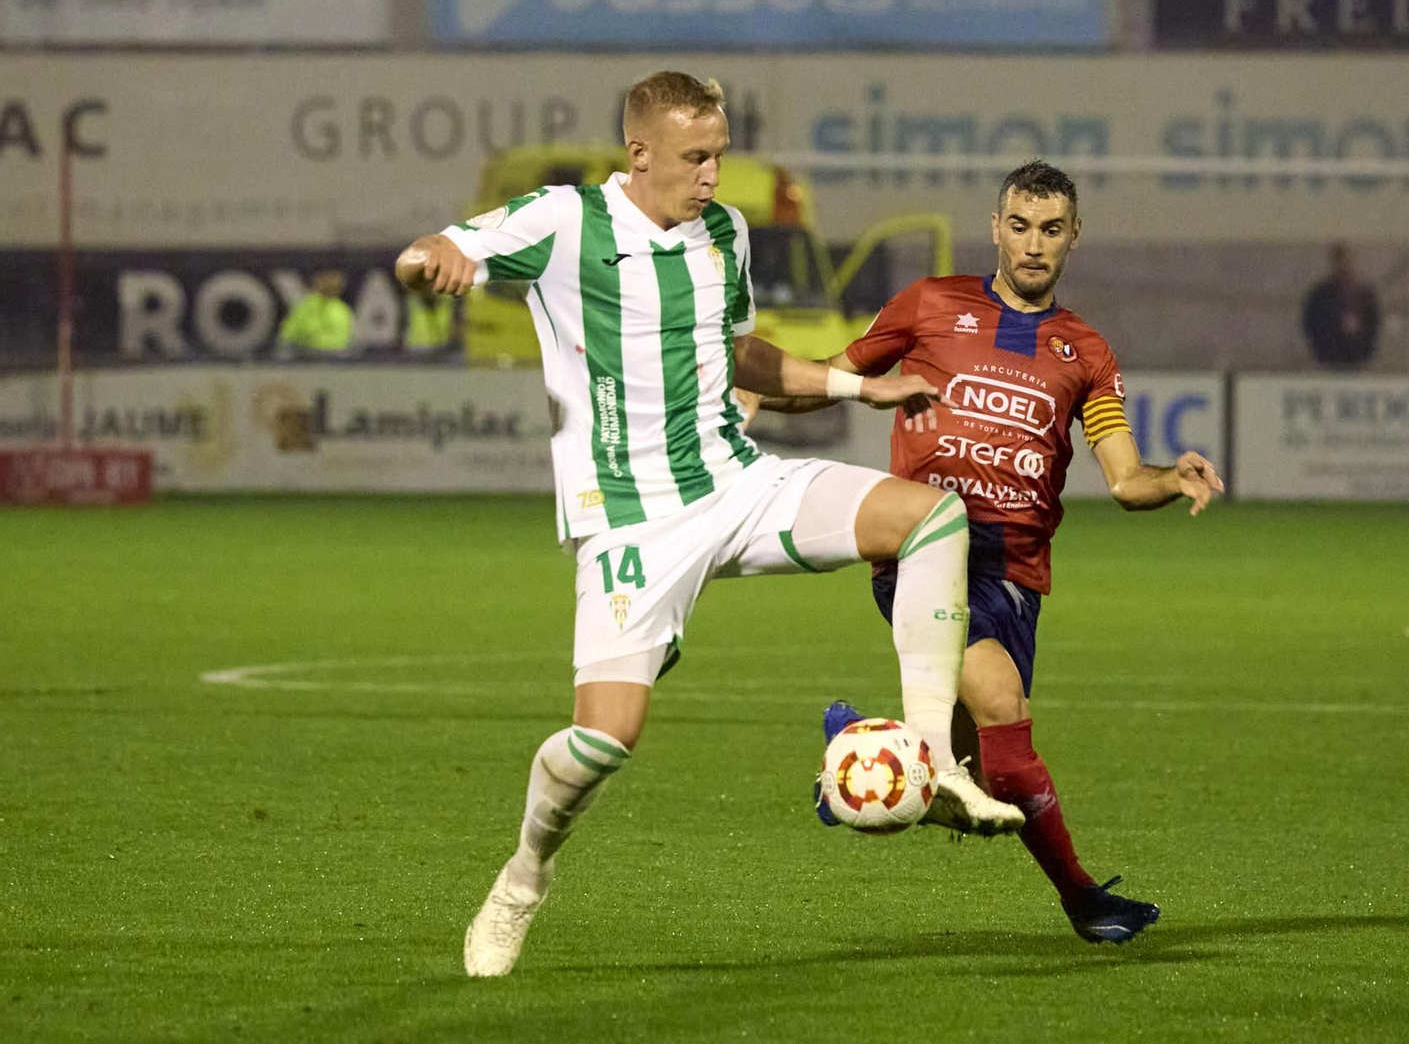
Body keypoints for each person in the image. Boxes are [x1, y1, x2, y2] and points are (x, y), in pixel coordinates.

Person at [393, 71, 1024, 979]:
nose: (713, 176)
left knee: (930, 517)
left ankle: (934, 762)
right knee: (602, 741)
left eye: (720, 154)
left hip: (736, 481)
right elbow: (424, 252)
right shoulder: (566, 221)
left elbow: (742, 351)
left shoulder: (723, 233)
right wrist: (433, 263)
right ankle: (524, 877)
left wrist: (859, 384)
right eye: (696, 157)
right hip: (632, 522)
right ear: (639, 153)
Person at [754, 160, 1224, 945]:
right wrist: (756, 386)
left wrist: (1170, 477)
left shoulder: (1086, 351)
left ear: (1074, 236)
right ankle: (1084, 900)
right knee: (1002, 709)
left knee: (967, 785)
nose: (1033, 244)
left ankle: (852, 758)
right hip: (924, 556)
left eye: (1050, 229)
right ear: (995, 227)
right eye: (1019, 225)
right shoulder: (929, 304)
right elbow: (835, 375)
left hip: (1015, 578)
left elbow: (1122, 480)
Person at [1301, 243, 1379, 367]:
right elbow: (1311, 323)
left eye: (1347, 261)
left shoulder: (1364, 294)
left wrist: (1364, 349)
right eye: (1341, 261)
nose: (1344, 266)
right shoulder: (1320, 294)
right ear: (1334, 263)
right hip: (1328, 359)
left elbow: (1373, 324)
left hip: (1357, 359)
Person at [277, 269, 353, 357]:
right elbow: (287, 333)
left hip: (331, 359)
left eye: (332, 283)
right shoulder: (305, 306)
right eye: (324, 281)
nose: (328, 285)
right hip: (302, 356)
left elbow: (339, 342)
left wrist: (311, 341)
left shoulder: (342, 311)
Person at [405, 285, 458, 357]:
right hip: (415, 354)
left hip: (443, 354)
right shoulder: (411, 300)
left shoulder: (449, 301)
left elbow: (456, 330)